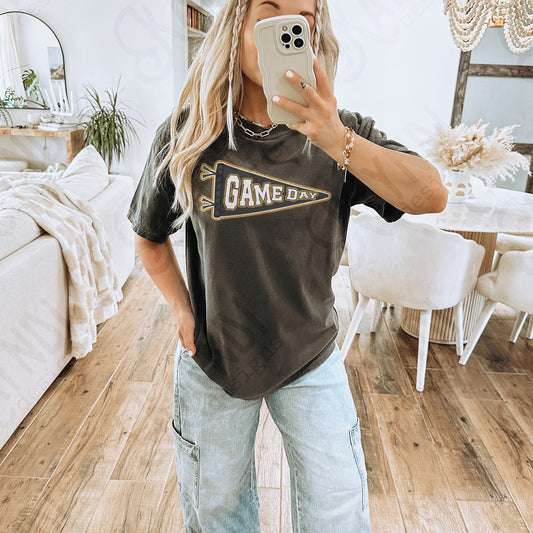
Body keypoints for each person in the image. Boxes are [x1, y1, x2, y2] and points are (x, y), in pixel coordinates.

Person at [127, 0, 448, 531]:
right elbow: (149, 236)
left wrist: (334, 138)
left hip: (310, 354)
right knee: (217, 514)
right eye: (270, 14)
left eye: (302, 21)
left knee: (337, 514)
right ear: (237, 26)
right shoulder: (188, 134)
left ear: (313, 38)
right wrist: (181, 309)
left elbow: (431, 194)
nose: (285, 30)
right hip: (216, 356)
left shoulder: (343, 136)